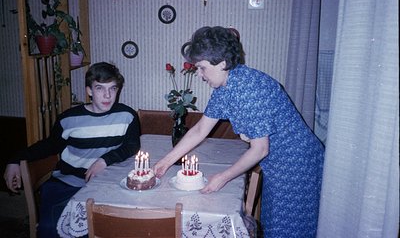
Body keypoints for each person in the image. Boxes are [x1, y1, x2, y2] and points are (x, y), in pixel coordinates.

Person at [154, 26, 325, 237]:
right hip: (278, 166)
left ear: (222, 63)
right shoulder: (225, 86)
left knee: (289, 232)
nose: (198, 74)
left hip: (298, 167)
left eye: (202, 68)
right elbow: (199, 129)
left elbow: (260, 149)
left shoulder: (249, 88)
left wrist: (223, 177)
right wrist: (165, 162)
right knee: (274, 228)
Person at [3, 62, 141, 237]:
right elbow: (49, 146)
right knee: (51, 228)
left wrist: (104, 160)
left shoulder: (127, 116)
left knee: (120, 226)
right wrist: (15, 159)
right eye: (100, 88)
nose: (107, 95)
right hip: (67, 184)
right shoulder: (68, 119)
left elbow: (132, 146)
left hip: (105, 186)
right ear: (89, 91)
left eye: (112, 89)